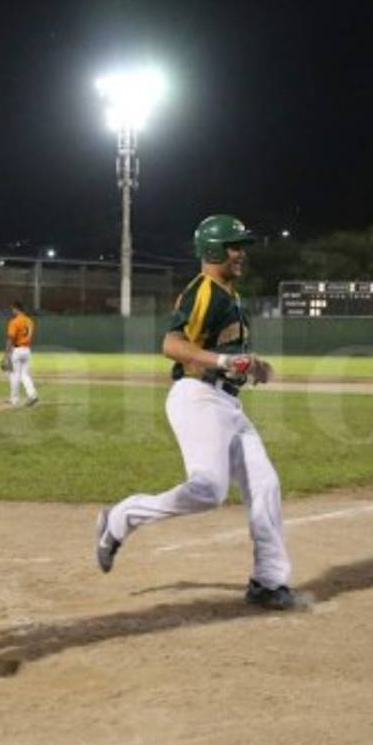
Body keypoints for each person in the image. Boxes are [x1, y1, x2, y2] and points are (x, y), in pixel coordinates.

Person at [94, 214, 295, 610]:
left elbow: (229, 358)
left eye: (241, 246)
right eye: (233, 246)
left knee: (265, 484)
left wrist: (252, 365)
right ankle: (121, 518)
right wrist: (222, 360)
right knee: (208, 490)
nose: (240, 253)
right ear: (212, 249)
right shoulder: (204, 291)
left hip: (228, 403)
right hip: (198, 397)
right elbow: (171, 344)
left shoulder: (230, 296)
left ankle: (268, 580)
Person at [3, 300, 39, 407]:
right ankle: (32, 394)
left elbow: (10, 339)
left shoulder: (14, 322)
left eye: (12, 309)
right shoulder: (29, 321)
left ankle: (14, 399)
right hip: (27, 350)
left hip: (17, 350)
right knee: (25, 375)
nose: (12, 311)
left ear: (16, 309)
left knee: (14, 375)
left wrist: (6, 354)